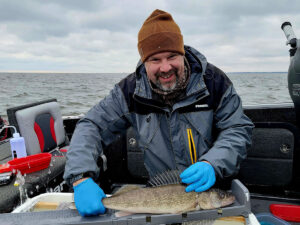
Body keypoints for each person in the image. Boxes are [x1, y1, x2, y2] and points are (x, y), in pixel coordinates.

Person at [63, 9, 254, 217]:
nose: (165, 67)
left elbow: (237, 128)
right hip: (160, 201)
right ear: (144, 61)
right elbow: (91, 125)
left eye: (172, 56)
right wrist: (81, 177)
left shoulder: (215, 83)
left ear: (183, 54)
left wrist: (213, 163)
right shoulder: (128, 92)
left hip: (212, 193)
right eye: (155, 59)